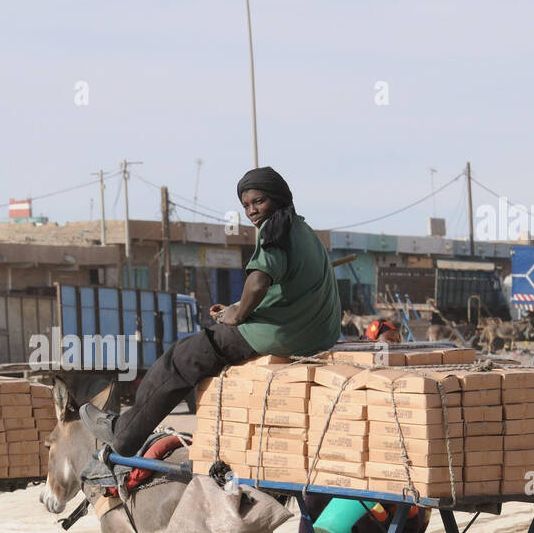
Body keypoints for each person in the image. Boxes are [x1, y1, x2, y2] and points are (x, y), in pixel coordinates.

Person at [81, 166, 342, 457]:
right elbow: (281, 289)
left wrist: (238, 315)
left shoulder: (274, 230)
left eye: (259, 202)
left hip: (285, 334)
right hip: (315, 332)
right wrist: (233, 308)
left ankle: (124, 434)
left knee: (183, 356)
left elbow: (257, 284)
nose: (253, 211)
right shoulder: (303, 229)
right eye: (246, 206)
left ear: (278, 198)